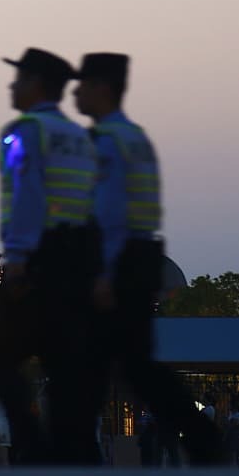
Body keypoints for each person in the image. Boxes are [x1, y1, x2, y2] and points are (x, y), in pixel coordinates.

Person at [74, 52, 225, 464]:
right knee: (135, 367)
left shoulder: (112, 140)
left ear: (102, 89)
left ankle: (205, 444)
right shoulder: (124, 137)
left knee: (126, 367)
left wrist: (105, 271)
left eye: (83, 85)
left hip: (123, 266)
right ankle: (205, 444)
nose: (76, 92)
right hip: (132, 262)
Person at [0, 47, 101, 464]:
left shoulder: (24, 132)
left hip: (41, 257)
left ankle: (34, 444)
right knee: (63, 363)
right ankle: (73, 457)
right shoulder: (81, 138)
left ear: (37, 85)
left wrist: (17, 259)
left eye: (20, 79)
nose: (12, 87)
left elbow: (26, 196)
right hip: (80, 261)